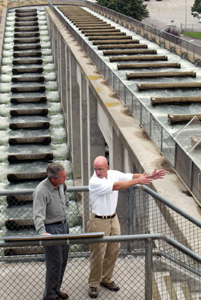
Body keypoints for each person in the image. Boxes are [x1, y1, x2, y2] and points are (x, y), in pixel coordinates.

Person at [87, 156, 165, 298]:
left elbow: (129, 176)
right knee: (98, 254)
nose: (98, 172)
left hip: (113, 218)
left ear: (107, 167)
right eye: (95, 169)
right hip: (99, 221)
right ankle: (93, 283)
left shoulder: (113, 174)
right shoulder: (94, 181)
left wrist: (148, 176)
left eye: (100, 169)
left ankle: (106, 279)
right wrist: (138, 181)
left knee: (114, 250)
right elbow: (117, 186)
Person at [33, 163, 69, 300]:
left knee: (63, 260)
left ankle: (56, 289)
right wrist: (42, 232)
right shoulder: (41, 191)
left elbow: (65, 199)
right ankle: (49, 295)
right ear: (53, 179)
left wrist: (65, 210)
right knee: (55, 263)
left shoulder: (61, 185)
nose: (65, 178)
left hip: (64, 226)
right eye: (63, 176)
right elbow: (38, 214)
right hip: (51, 229)